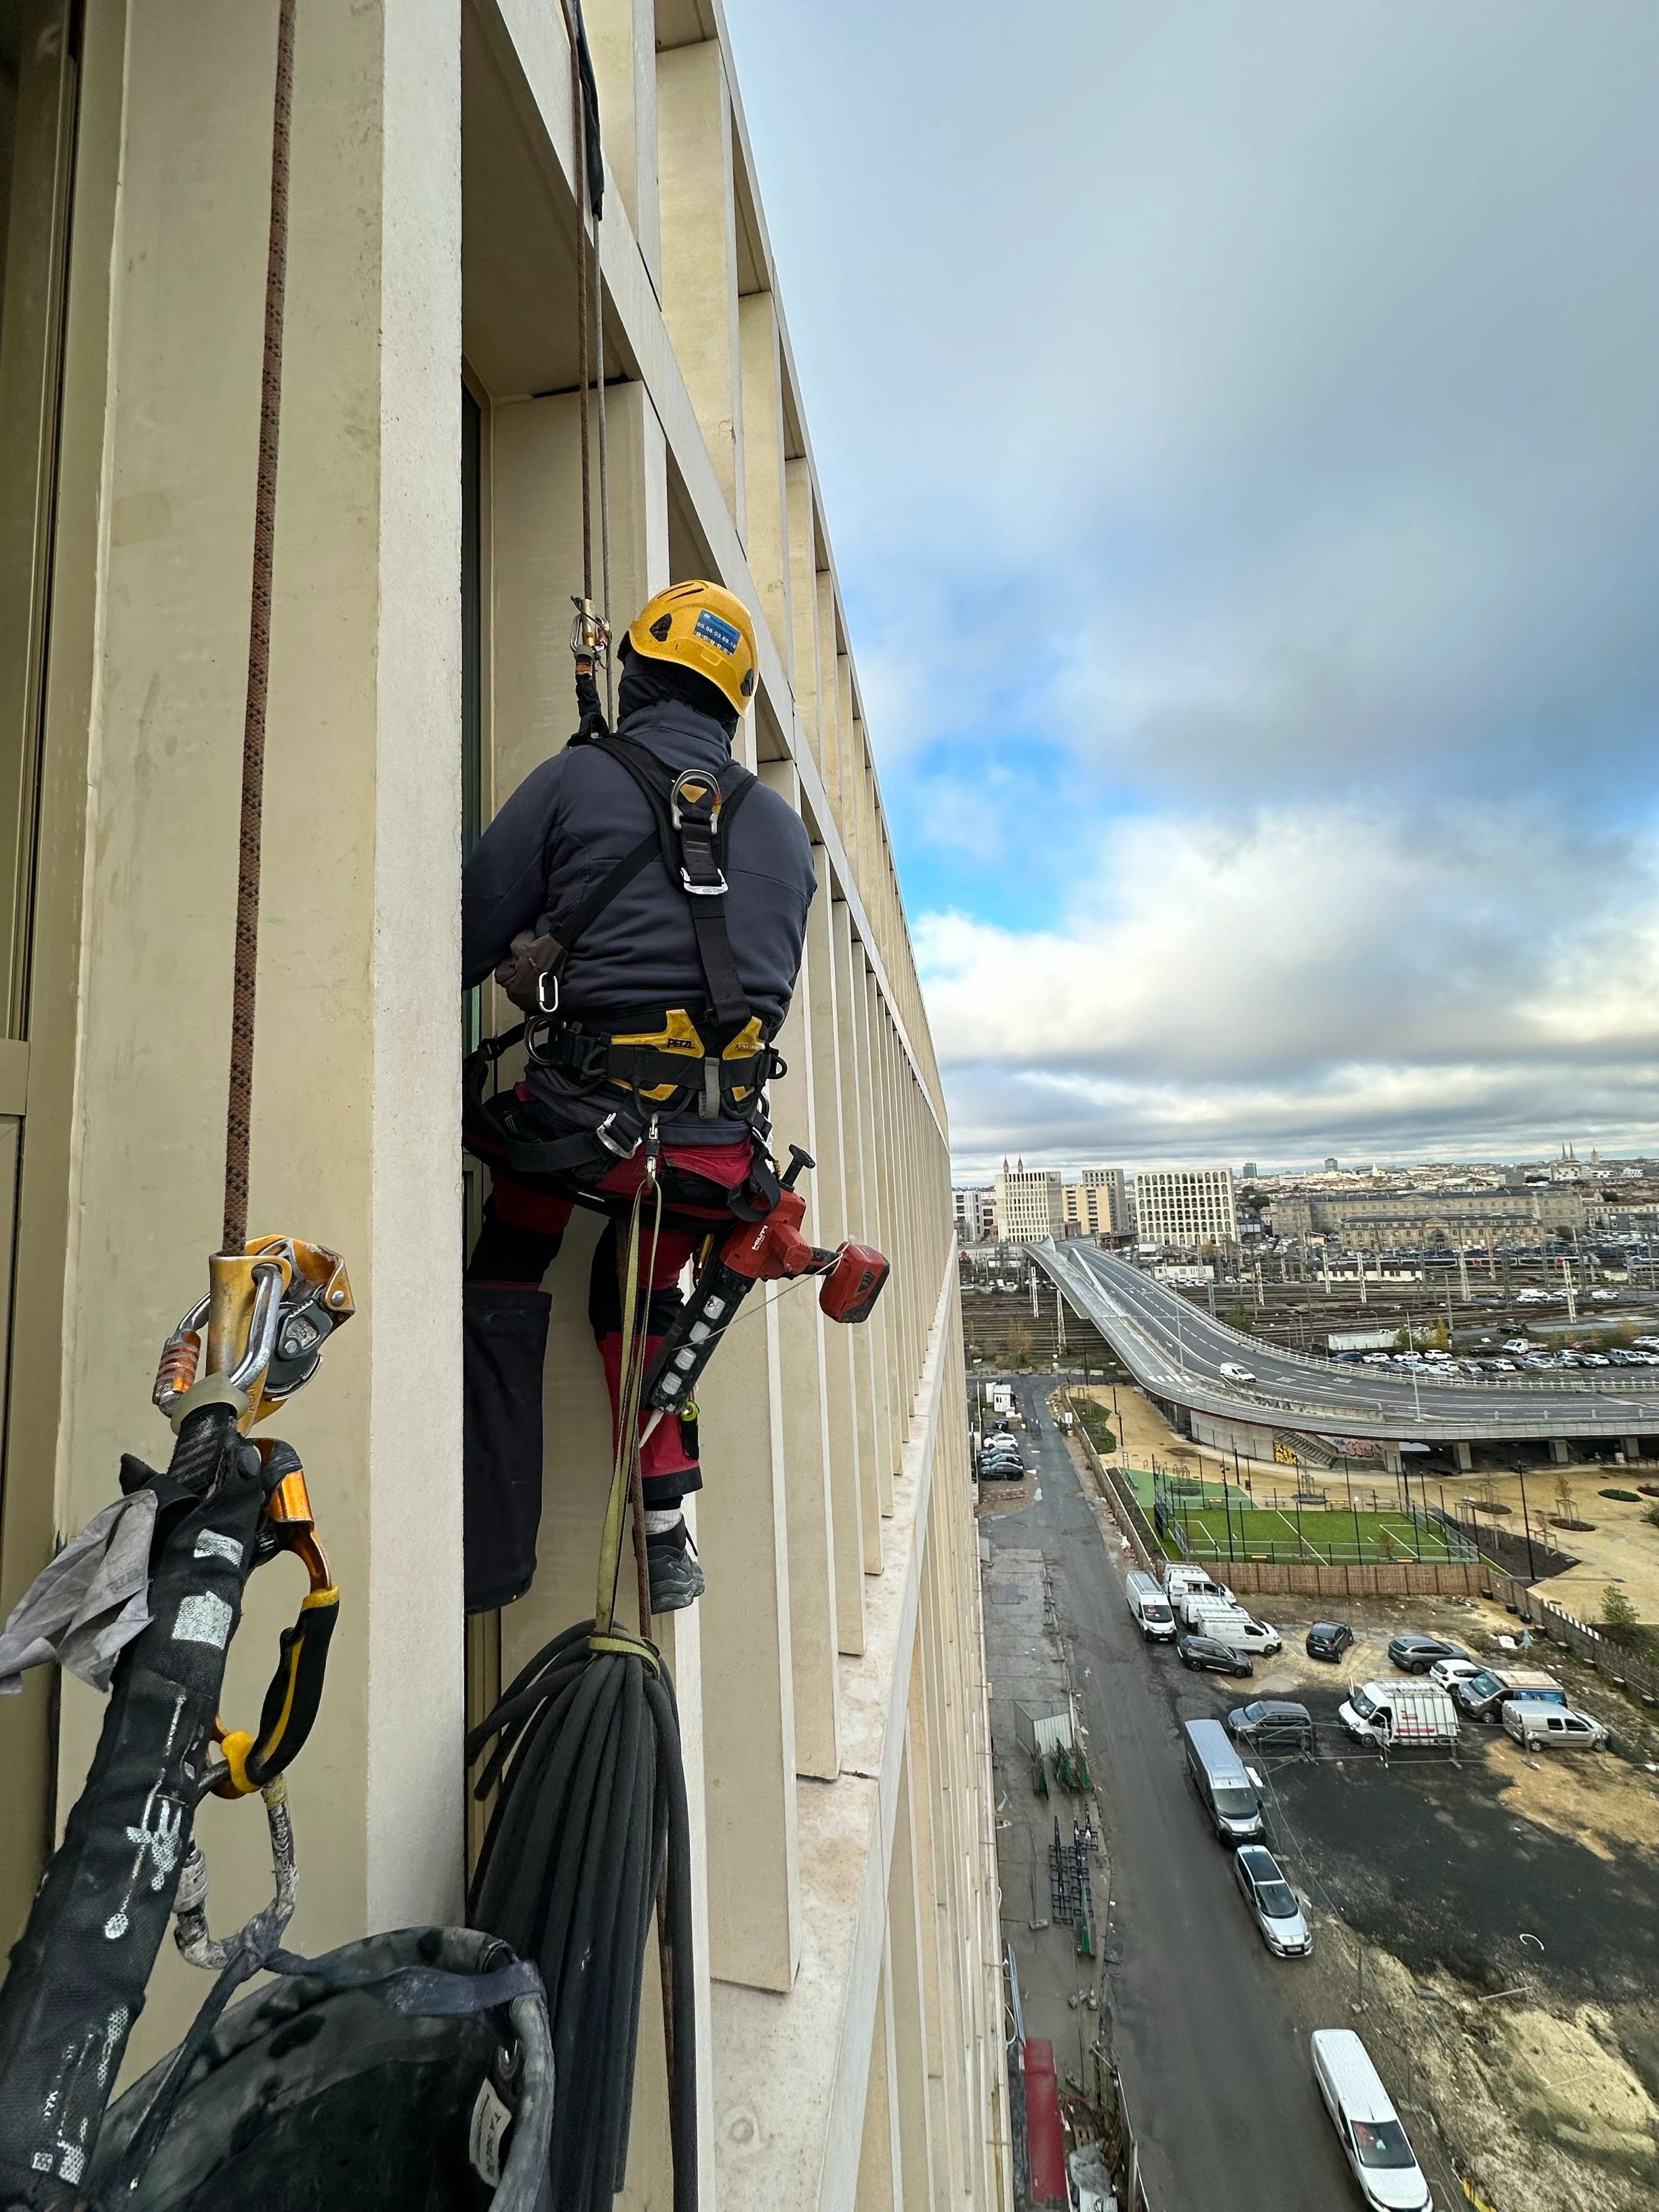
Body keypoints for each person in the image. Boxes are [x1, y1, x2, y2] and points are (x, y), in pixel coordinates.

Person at [460, 580, 816, 1616]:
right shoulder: (781, 829)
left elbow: (465, 936)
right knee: (643, 1279)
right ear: (730, 704)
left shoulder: (578, 778)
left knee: (515, 1249)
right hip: (714, 1154)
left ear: (636, 679)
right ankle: (666, 1528)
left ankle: (484, 1542)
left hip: (581, 1132)